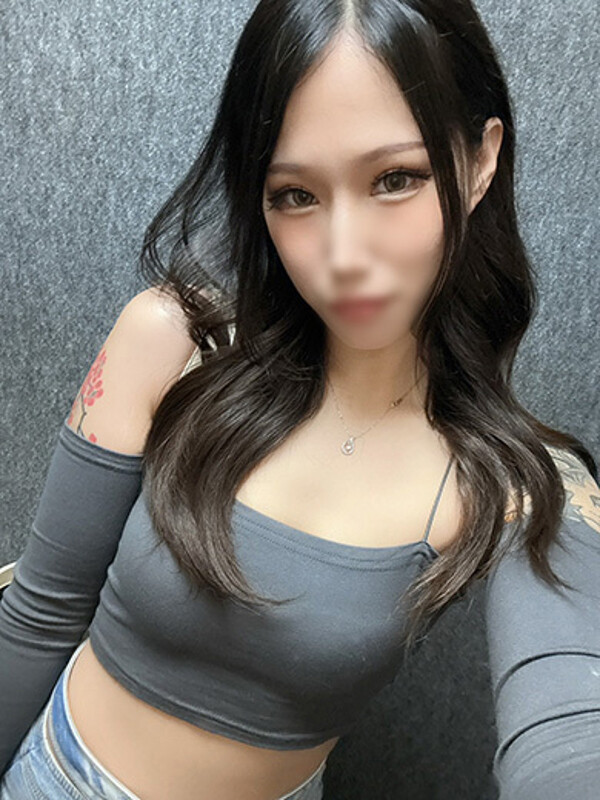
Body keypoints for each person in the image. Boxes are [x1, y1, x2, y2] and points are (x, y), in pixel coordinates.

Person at [1, 0, 598, 798]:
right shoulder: (170, 344)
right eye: (295, 195)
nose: (343, 257)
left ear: (479, 161)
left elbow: (569, 730)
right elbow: (40, 616)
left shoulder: (520, 479)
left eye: (396, 179)